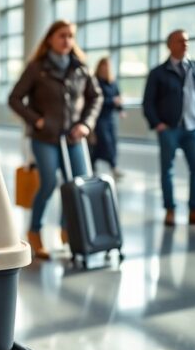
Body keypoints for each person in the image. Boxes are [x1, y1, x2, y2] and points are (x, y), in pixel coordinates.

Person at [8, 20, 102, 259]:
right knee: (49, 182)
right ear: (50, 38)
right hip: (45, 137)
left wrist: (85, 124)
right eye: (62, 35)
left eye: (70, 36)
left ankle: (67, 230)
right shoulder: (37, 68)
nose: (67, 40)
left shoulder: (81, 67)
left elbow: (96, 97)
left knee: (76, 183)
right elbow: (15, 99)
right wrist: (37, 120)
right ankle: (35, 232)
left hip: (73, 137)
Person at [142, 29, 195, 227]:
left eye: (187, 41)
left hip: (193, 128)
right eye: (180, 41)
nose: (185, 44)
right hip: (169, 129)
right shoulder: (158, 73)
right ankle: (170, 210)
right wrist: (158, 124)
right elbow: (148, 102)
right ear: (170, 45)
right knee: (168, 170)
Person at [92, 58, 125, 177]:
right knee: (104, 142)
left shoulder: (112, 82)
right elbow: (96, 101)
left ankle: (98, 164)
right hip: (99, 118)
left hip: (110, 117)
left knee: (112, 142)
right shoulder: (95, 81)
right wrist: (112, 101)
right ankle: (112, 166)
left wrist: (121, 109)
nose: (105, 68)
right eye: (103, 66)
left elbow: (118, 96)